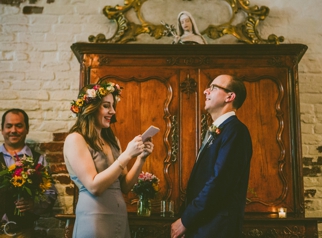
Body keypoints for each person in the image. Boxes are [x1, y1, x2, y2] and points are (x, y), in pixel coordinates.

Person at [63, 82, 154, 238]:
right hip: (94, 219)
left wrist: (140, 159)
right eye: (106, 106)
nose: (112, 111)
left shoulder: (112, 141)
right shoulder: (75, 139)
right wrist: (126, 155)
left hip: (119, 217)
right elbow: (94, 187)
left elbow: (124, 186)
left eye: (113, 106)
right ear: (90, 108)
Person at [171, 75, 253, 238]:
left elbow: (219, 182)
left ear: (230, 96)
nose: (205, 91)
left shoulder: (236, 131)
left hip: (216, 228)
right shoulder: (219, 130)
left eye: (213, 87)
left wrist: (186, 220)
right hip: (203, 225)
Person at [0, 109, 57, 238]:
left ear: (27, 129)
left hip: (24, 232)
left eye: (19, 126)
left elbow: (50, 194)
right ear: (2, 129)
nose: (13, 130)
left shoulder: (38, 160)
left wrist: (35, 205)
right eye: (9, 126)